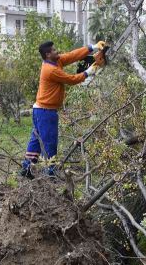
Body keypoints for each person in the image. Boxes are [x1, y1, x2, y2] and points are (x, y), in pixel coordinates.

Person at [20, 40, 105, 178]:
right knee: (50, 142)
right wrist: (90, 71)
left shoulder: (56, 61)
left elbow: (72, 55)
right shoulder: (51, 69)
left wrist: (93, 47)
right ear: (48, 54)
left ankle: (27, 168)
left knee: (36, 139)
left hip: (40, 110)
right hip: (46, 112)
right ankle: (50, 173)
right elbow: (71, 79)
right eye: (54, 50)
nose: (57, 51)